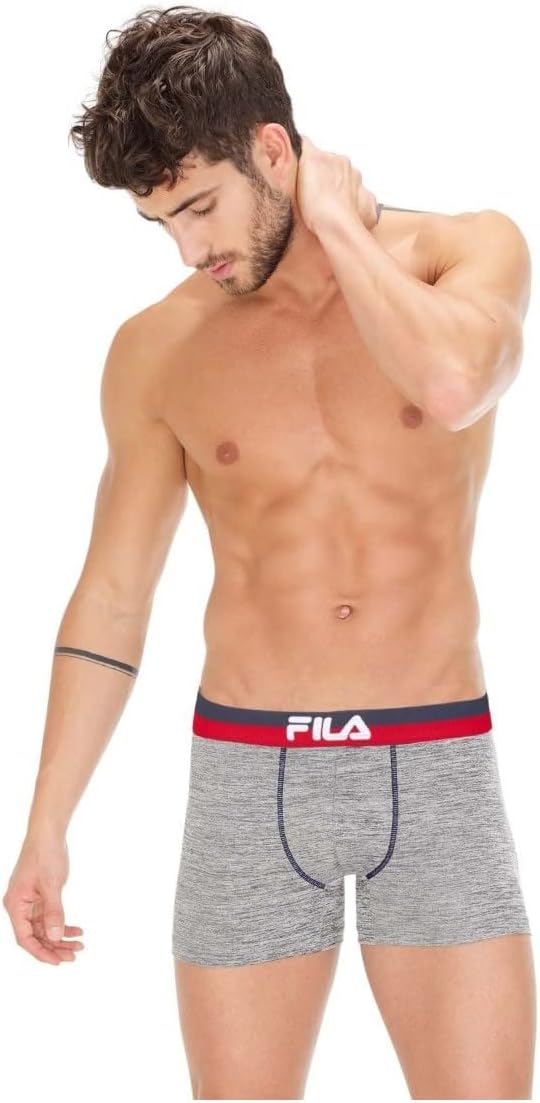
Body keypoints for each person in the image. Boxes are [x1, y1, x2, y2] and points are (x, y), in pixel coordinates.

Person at [3, 5, 536, 1099]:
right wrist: (46, 820)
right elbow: (114, 595)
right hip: (249, 776)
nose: (189, 249)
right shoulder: (158, 350)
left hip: (436, 759)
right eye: (160, 222)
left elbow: (452, 384)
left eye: (200, 205)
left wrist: (340, 227)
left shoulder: (464, 252)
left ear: (275, 150)